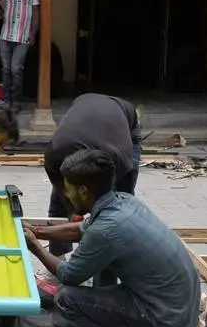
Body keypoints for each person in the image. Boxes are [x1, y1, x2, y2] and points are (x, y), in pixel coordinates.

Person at [24, 151, 200, 327]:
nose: (66, 194)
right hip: (180, 307)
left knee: (66, 299)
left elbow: (68, 275)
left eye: (68, 189)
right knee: (101, 260)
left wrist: (34, 246)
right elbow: (81, 230)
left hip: (165, 320)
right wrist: (38, 231)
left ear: (83, 191)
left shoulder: (106, 229)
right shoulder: (123, 202)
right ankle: (105, 319)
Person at [43, 94, 141, 256]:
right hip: (84, 106)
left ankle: (118, 256)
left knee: (120, 207)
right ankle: (57, 257)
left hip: (123, 117)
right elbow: (61, 189)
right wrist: (72, 209)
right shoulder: (54, 155)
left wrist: (91, 218)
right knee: (59, 206)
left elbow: (105, 202)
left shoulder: (116, 161)